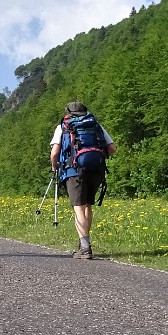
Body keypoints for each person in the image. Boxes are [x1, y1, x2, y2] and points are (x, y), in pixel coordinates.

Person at [49, 100, 116, 260]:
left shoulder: (64, 126)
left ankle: (85, 248)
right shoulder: (94, 124)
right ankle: (83, 244)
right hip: (97, 169)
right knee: (87, 206)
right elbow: (112, 148)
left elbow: (54, 153)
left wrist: (55, 166)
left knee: (78, 208)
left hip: (74, 170)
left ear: (68, 112)